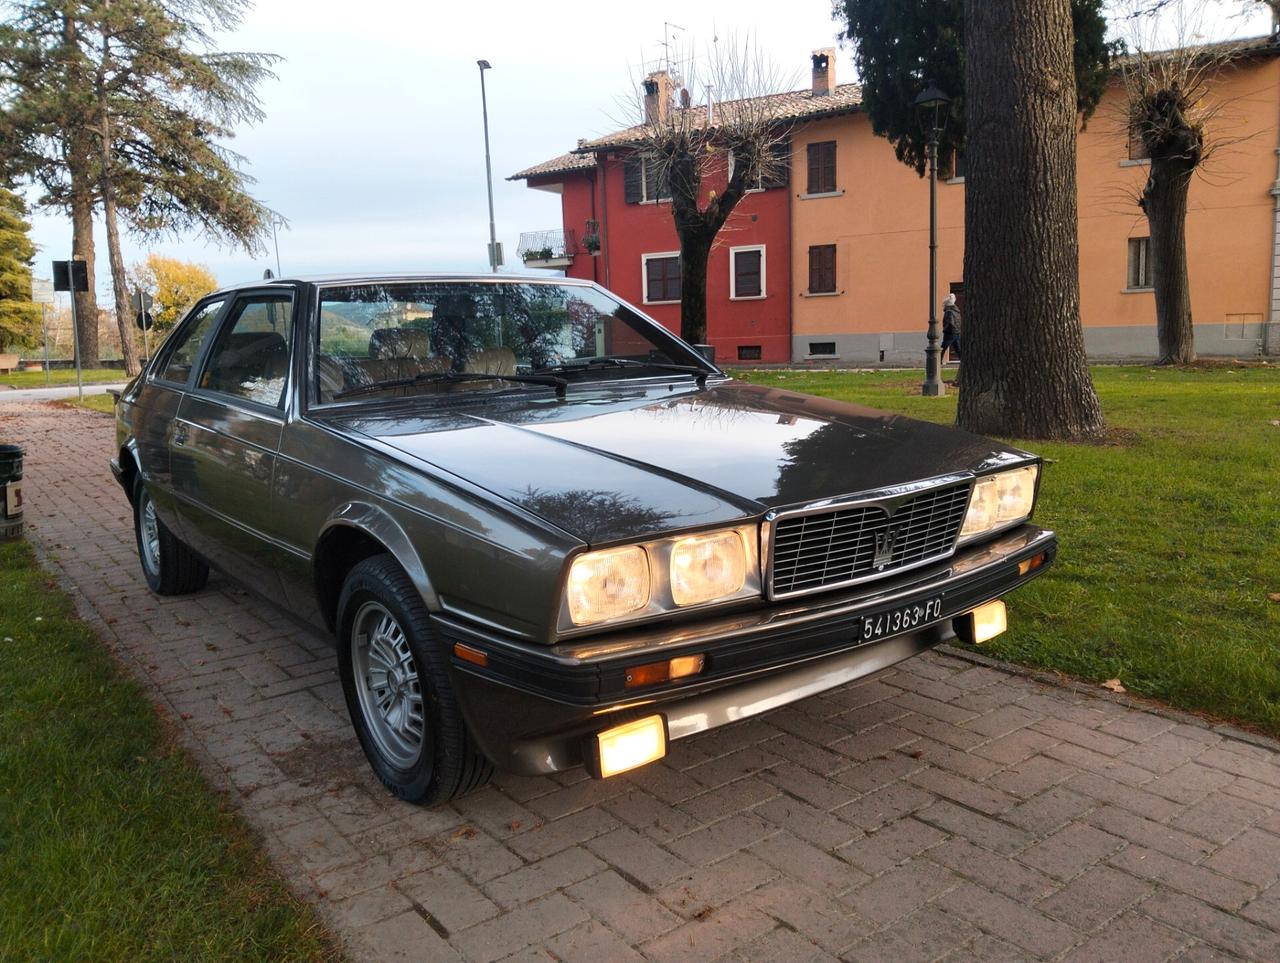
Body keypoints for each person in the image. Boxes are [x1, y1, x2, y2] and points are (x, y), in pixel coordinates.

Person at [940, 294, 961, 363]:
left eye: (944, 304)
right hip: (957, 332)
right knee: (958, 349)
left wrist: (945, 330)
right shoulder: (957, 311)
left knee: (943, 348)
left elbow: (950, 323)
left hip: (950, 333)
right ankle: (964, 361)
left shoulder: (948, 312)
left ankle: (937, 361)